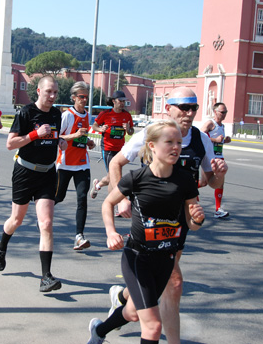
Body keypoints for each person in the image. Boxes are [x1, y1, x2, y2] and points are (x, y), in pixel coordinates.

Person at [105, 87, 227, 344]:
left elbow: (211, 182)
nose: (189, 113)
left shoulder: (200, 139)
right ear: (168, 108)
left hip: (181, 219)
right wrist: (123, 200)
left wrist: (220, 173)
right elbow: (116, 163)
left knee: (161, 279)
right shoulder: (152, 133)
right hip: (149, 217)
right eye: (183, 107)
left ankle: (125, 299)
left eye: (193, 107)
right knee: (174, 281)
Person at [87, 120, 204, 344]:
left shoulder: (185, 181)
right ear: (152, 146)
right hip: (137, 258)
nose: (176, 147)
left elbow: (192, 224)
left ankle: (99, 331)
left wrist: (198, 218)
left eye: (179, 142)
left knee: (132, 313)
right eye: (169, 142)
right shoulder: (137, 179)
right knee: (152, 326)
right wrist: (111, 232)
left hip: (166, 260)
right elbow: (108, 204)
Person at [0, 75, 68, 293]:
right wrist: (35, 134)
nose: (53, 96)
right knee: (16, 219)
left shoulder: (56, 114)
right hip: (25, 172)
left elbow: (53, 137)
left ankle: (46, 277)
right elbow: (10, 143)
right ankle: (2, 246)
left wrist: (59, 141)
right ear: (38, 91)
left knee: (46, 224)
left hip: (47, 173)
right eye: (49, 92)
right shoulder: (25, 112)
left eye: (55, 92)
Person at [54, 82, 96, 250]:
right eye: (81, 97)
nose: (84, 100)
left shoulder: (87, 115)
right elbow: (58, 137)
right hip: (64, 164)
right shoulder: (68, 115)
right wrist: (75, 135)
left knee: (82, 199)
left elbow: (82, 137)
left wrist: (88, 141)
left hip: (82, 164)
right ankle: (42, 215)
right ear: (73, 98)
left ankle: (79, 236)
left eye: (86, 97)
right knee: (59, 197)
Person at [89, 90, 134, 199]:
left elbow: (131, 132)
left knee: (112, 176)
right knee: (115, 176)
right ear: (114, 101)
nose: (122, 103)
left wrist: (128, 129)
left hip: (120, 149)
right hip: (108, 148)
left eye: (124, 101)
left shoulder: (127, 115)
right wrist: (100, 128)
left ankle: (98, 185)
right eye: (120, 101)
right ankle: (117, 202)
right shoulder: (105, 114)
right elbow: (94, 126)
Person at [200, 102, 232, 218]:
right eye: (222, 112)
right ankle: (187, 192)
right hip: (208, 157)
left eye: (226, 112)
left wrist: (225, 140)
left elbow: (219, 140)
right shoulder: (210, 123)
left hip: (219, 156)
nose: (224, 115)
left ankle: (218, 209)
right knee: (203, 183)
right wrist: (215, 139)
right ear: (215, 112)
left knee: (220, 182)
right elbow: (200, 135)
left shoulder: (222, 126)